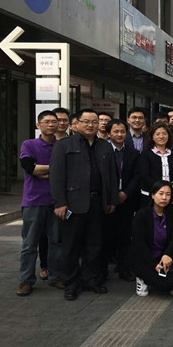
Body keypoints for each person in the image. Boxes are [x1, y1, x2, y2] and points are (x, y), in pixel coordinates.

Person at [50, 109, 119, 300]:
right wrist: (60, 202)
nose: (91, 125)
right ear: (77, 124)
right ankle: (71, 283)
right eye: (86, 121)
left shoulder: (105, 146)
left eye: (94, 122)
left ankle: (90, 279)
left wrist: (112, 200)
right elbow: (56, 176)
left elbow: (113, 175)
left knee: (94, 244)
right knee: (71, 246)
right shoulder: (64, 145)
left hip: (98, 202)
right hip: (73, 204)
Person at [16, 111, 63, 296]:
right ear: (38, 125)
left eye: (54, 122)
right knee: (29, 243)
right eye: (46, 122)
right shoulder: (29, 145)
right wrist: (55, 169)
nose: (51, 125)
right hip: (33, 201)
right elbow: (30, 168)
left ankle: (56, 276)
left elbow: (68, 171)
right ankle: (26, 280)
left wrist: (43, 171)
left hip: (57, 202)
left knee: (56, 242)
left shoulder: (61, 146)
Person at [128, 181, 173, 300]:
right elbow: (139, 244)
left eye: (168, 194)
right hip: (145, 259)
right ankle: (141, 278)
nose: (164, 197)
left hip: (162, 256)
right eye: (160, 193)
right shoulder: (142, 215)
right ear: (152, 195)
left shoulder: (172, 214)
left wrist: (167, 254)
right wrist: (153, 264)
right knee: (165, 285)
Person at [101, 119, 140, 283]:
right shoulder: (101, 151)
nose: (119, 134)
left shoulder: (133, 152)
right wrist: (111, 195)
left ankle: (124, 268)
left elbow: (137, 176)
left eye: (122, 131)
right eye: (115, 131)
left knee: (125, 236)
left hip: (126, 200)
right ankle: (102, 271)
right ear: (108, 133)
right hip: (106, 200)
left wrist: (125, 193)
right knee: (105, 237)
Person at [139, 122, 173, 206]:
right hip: (150, 195)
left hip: (170, 195)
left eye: (164, 134)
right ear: (152, 137)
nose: (161, 136)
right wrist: (160, 188)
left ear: (168, 136)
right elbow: (144, 175)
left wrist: (171, 188)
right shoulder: (146, 154)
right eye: (157, 134)